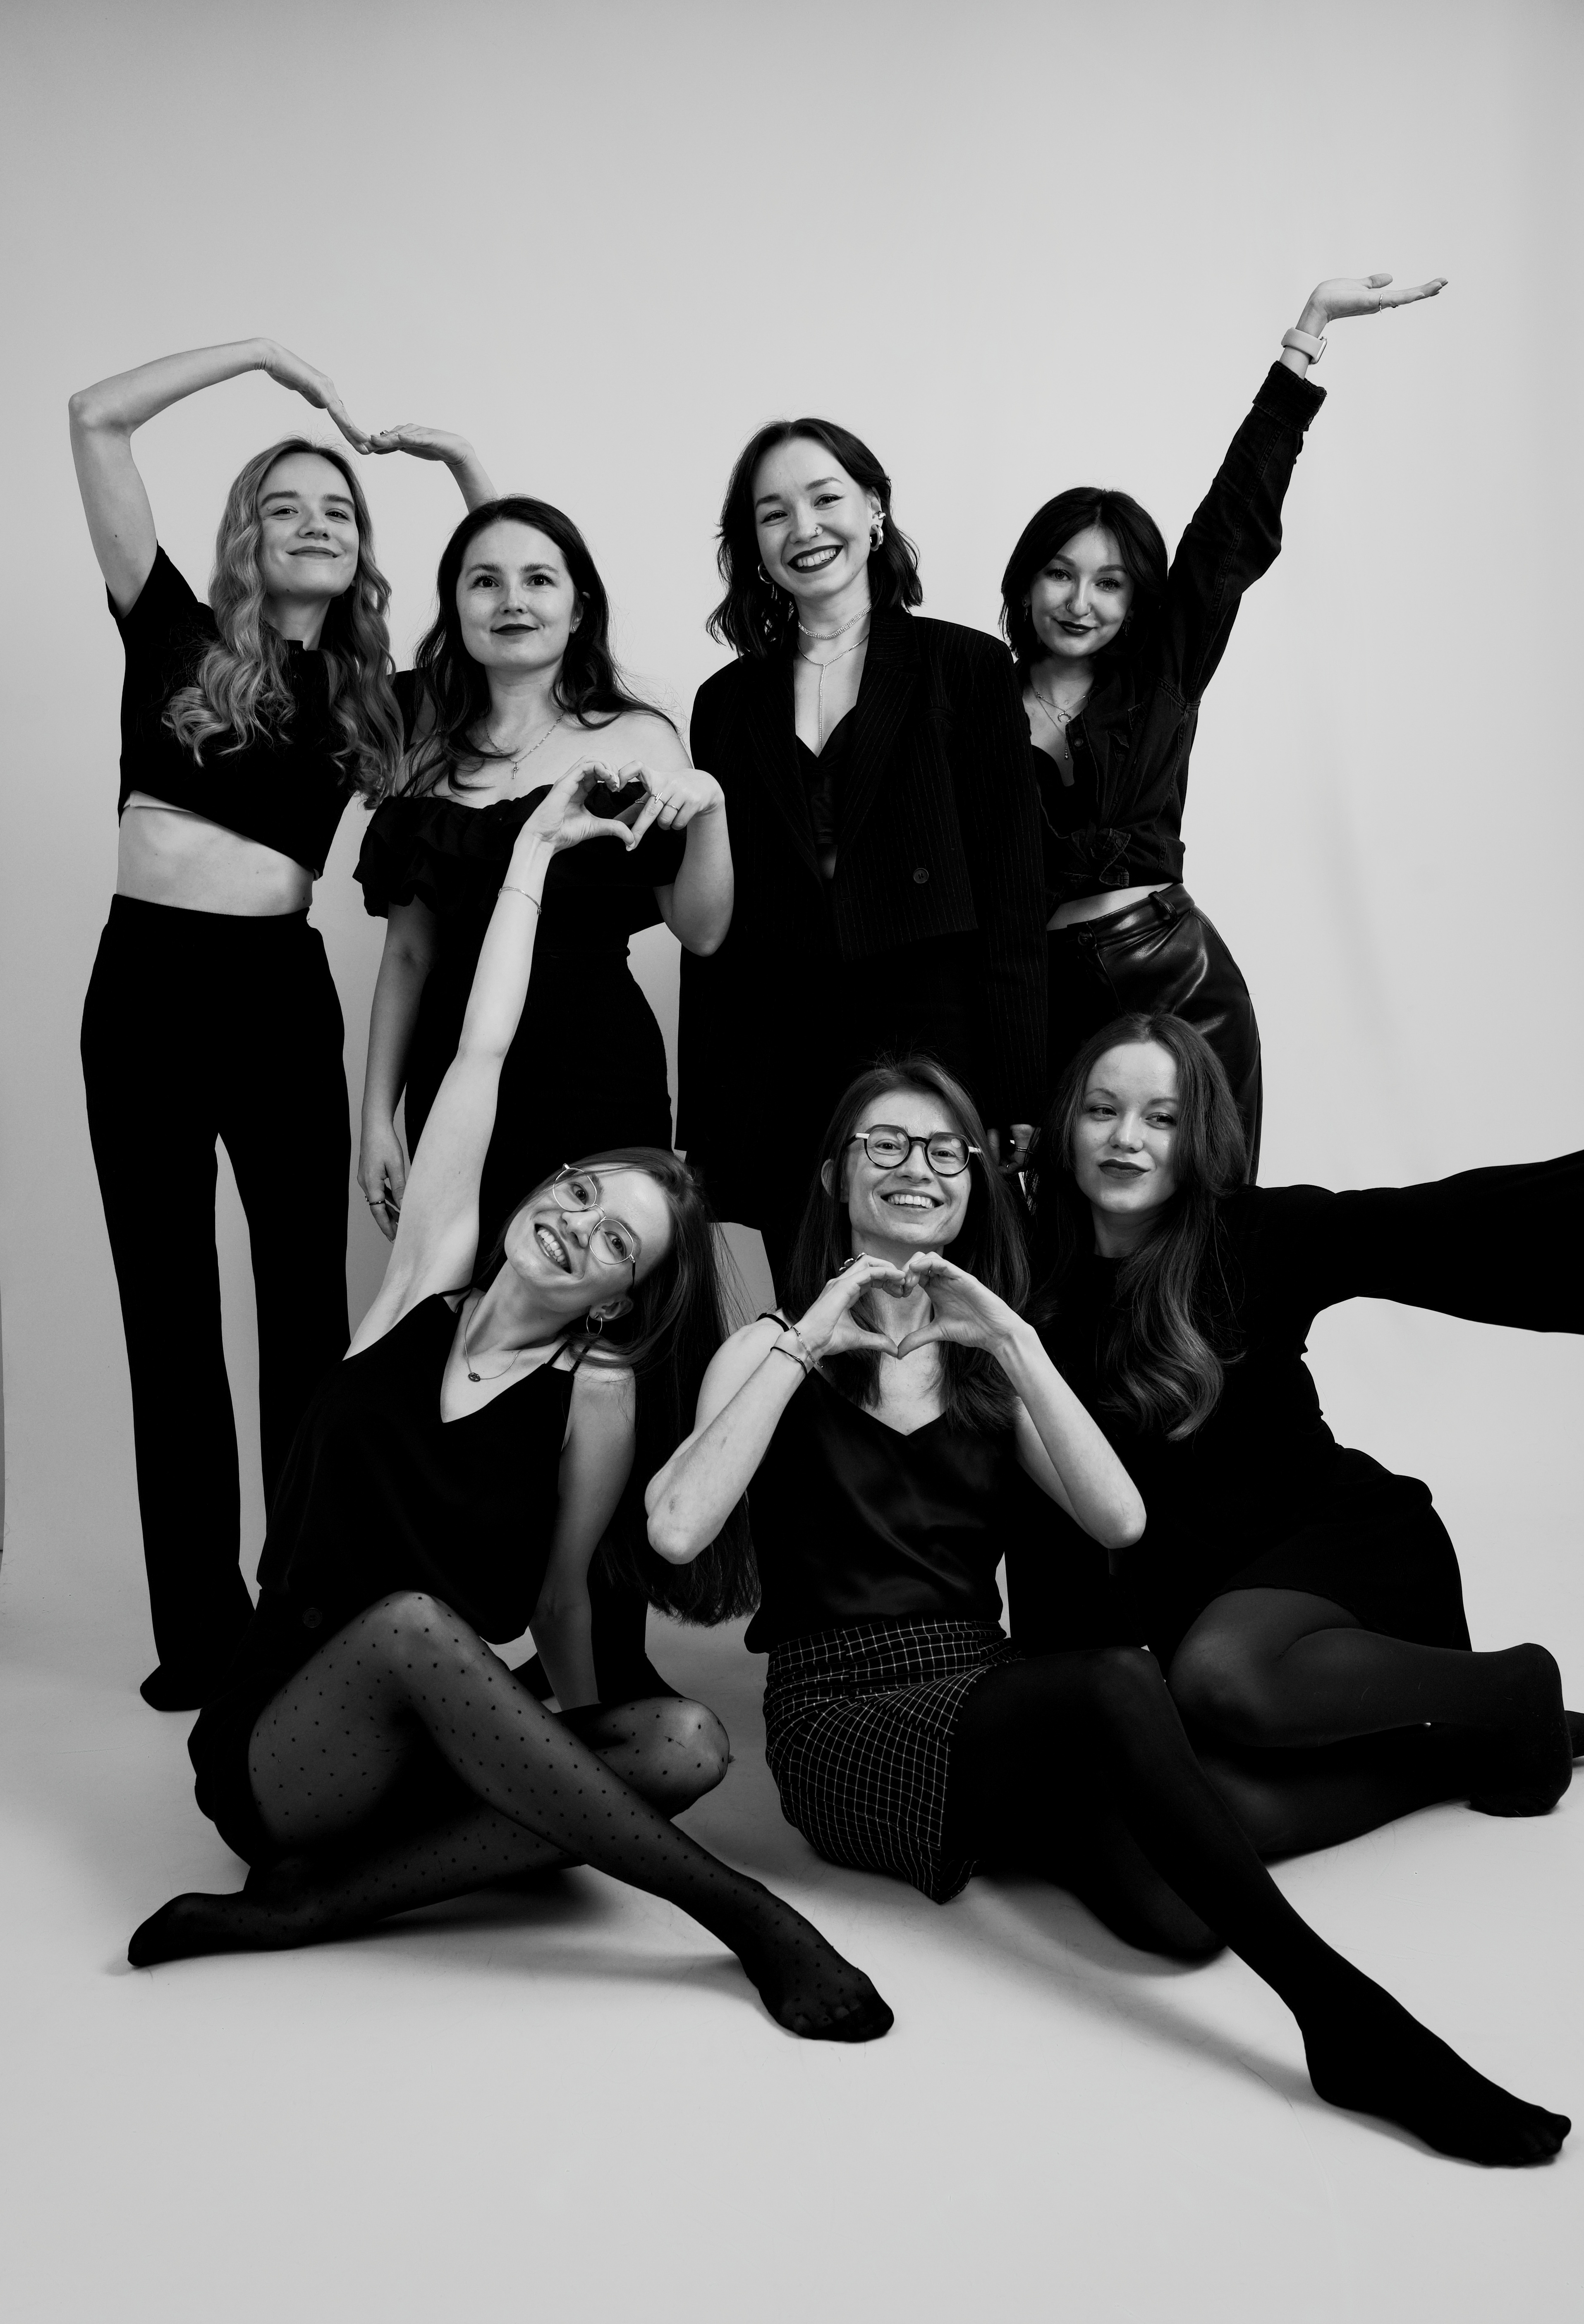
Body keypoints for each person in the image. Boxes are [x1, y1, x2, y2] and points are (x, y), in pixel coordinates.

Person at [645, 1055, 1568, 2164]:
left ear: (976, 1185)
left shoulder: (987, 1368)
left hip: (978, 1693)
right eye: (883, 1144)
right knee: (1116, 1680)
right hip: (841, 1718)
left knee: (1175, 1917)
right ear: (834, 1176)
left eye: (945, 1151)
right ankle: (1351, 2024)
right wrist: (809, 1335)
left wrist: (1012, 1341)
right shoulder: (766, 1348)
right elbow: (677, 1528)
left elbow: (1116, 1516)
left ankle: (1448, 1752)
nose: (915, 1167)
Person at [126, 765, 889, 2046]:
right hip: (287, 1742)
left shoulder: (593, 1402)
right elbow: (479, 1049)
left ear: (618, 1298)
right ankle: (744, 1914)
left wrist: (573, 1747)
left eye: (615, 1244)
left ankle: (316, 1905)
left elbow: (557, 1604)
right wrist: (532, 848)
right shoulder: (416, 1290)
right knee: (414, 1622)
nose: (577, 1225)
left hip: (442, 1741)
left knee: (685, 1741)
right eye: (581, 1194)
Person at [70, 338, 490, 1710]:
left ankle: (305, 1610)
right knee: (168, 1309)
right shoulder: (170, 626)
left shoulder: (376, 699)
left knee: (306, 1310)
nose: (315, 522)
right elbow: (95, 417)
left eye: (339, 509)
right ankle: (200, 1633)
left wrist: (464, 470)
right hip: (143, 987)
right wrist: (260, 357)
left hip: (275, 995)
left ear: (363, 548)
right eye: (286, 504)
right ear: (246, 532)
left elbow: (515, 603)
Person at [1014, 1012, 1583, 1859]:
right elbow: (1045, 1519)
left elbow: (1446, 1223)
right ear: (1064, 1125)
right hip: (1203, 1608)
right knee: (1195, 1819)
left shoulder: (1254, 1235)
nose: (1126, 1138)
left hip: (1336, 1556)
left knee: (1222, 1676)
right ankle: (1453, 1755)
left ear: (1196, 1137)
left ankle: (1514, 1686)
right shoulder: (1029, 1285)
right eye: (1102, 1110)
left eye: (1161, 1118)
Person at [1002, 272, 1445, 1171]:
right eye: (1059, 574)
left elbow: (1231, 526)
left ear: (1137, 598)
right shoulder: (973, 695)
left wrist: (1307, 333)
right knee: (1062, 1215)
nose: (1080, 602)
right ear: (1025, 580)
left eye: (1109, 582)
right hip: (1043, 1001)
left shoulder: (1163, 670)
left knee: (1212, 1207)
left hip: (1180, 980)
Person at [677, 417, 1047, 1282]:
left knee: (946, 1295)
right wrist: (706, 1120)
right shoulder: (725, 701)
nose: (803, 529)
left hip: (933, 1038)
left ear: (874, 509)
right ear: (752, 544)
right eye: (774, 513)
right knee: (806, 1297)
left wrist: (1018, 1087)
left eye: (824, 499)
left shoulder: (965, 665)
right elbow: (713, 942)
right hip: (779, 1052)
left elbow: (1012, 895)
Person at [356, 492, 731, 1255]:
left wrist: (713, 811)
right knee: (464, 1291)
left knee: (603, 1288)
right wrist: (374, 1119)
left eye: (538, 580)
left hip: (597, 1069)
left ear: (578, 607)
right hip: (453, 1077)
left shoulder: (636, 737)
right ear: (456, 606)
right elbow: (409, 954)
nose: (512, 601)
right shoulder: (424, 753)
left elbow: (701, 930)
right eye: (485, 581)